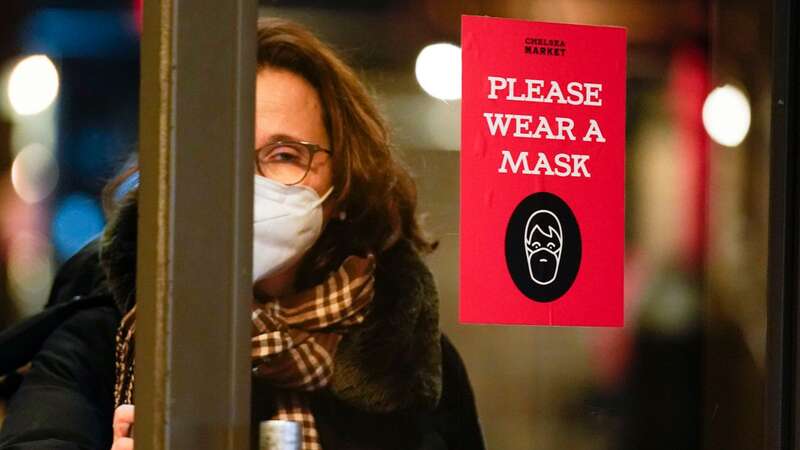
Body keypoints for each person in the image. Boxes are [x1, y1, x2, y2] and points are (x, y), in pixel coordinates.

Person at [0, 18, 484, 450]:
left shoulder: (413, 367)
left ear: (341, 189)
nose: (248, 183)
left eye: (286, 155)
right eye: (221, 153)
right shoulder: (101, 339)